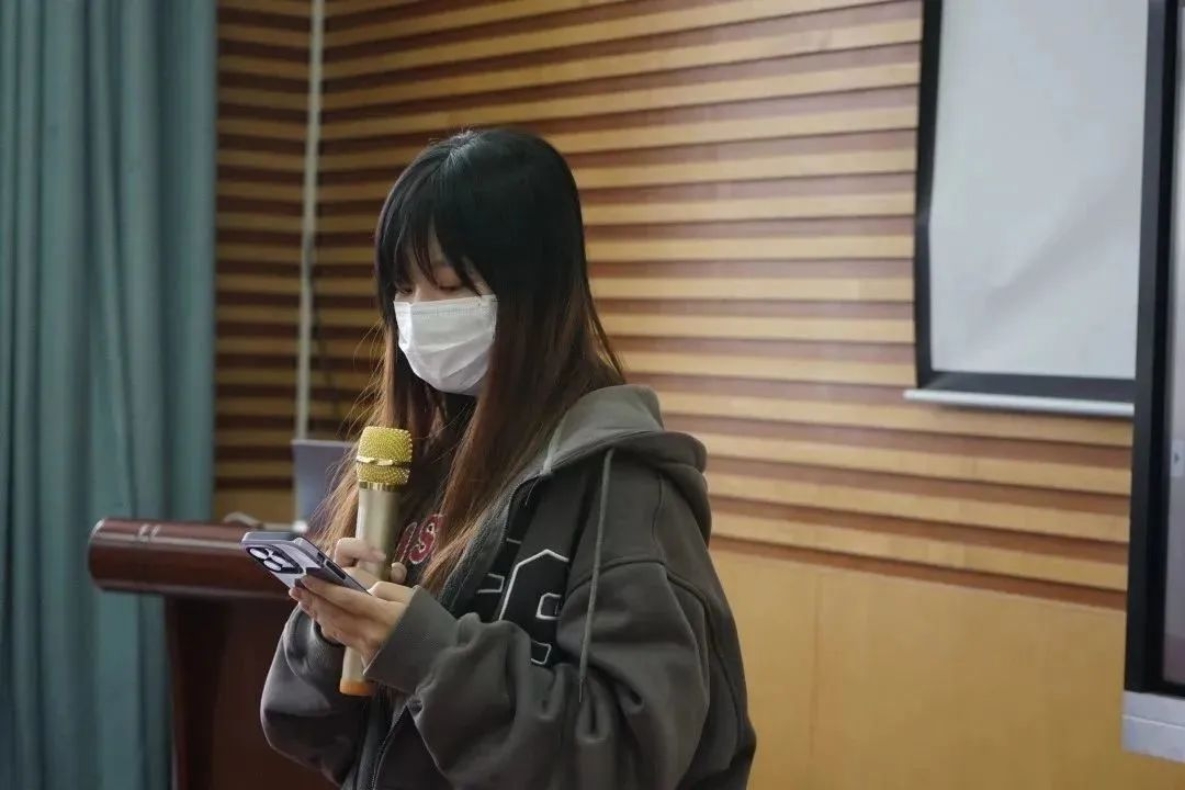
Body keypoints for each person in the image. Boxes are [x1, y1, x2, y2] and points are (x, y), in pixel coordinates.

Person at [260, 128, 756, 789]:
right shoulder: (415, 462)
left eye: (448, 284)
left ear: (535, 289)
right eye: (403, 289)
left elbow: (625, 755)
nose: (419, 315)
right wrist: (332, 632)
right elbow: (305, 727)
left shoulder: (624, 487)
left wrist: (426, 654)